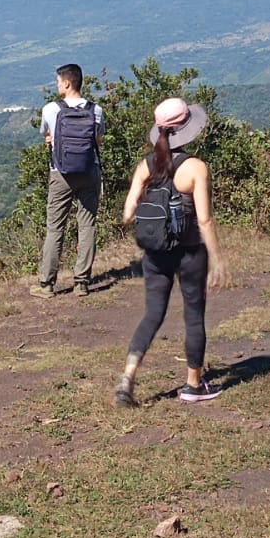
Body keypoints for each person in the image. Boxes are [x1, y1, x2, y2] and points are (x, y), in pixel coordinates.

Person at [114, 96, 226, 406]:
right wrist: (217, 258)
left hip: (155, 253)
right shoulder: (195, 168)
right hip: (190, 252)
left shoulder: (146, 166)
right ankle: (193, 386)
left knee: (152, 314)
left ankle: (127, 379)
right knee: (193, 315)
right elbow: (204, 218)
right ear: (187, 129)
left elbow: (127, 214)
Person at [30, 63, 104, 297]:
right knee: (87, 225)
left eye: (58, 81)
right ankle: (81, 282)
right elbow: (97, 142)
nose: (57, 85)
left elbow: (47, 135)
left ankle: (47, 284)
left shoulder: (51, 109)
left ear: (67, 83)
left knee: (55, 228)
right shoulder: (96, 110)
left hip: (60, 174)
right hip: (88, 171)